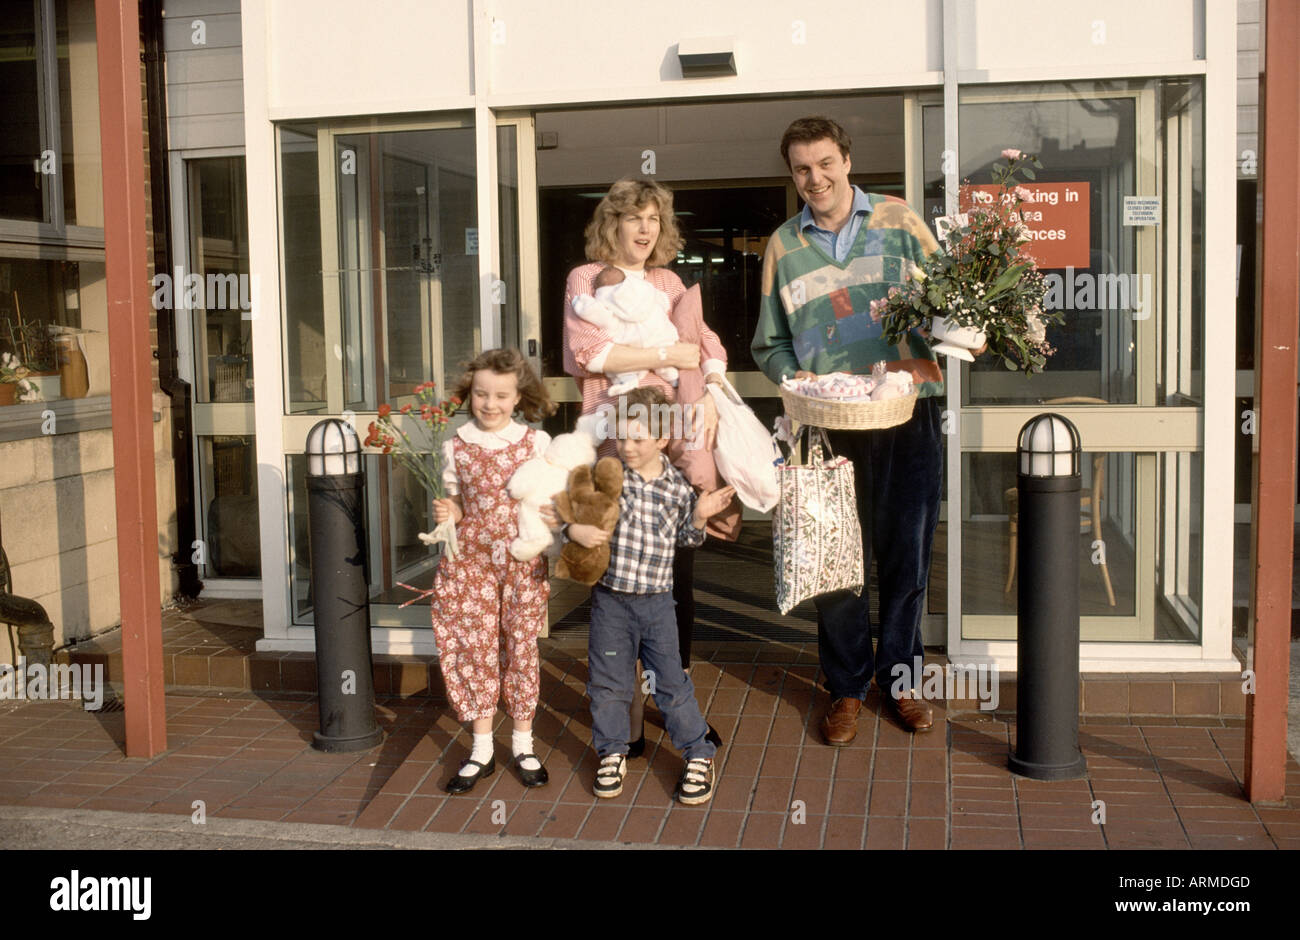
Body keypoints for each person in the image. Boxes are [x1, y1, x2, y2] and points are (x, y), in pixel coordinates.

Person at [751, 116, 946, 744]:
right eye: (802, 168)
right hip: (828, 427)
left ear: (847, 161)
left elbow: (952, 304)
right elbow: (770, 343)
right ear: (793, 174)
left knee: (905, 556)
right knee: (836, 563)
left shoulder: (900, 220)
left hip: (908, 416)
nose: (816, 178)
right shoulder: (782, 245)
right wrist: (796, 380)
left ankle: (903, 682)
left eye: (825, 163)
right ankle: (845, 688)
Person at [562, 177, 730, 756]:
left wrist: (707, 386)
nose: (644, 228)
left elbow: (706, 342)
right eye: (634, 217)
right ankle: (626, 714)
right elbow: (592, 356)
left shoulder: (667, 282)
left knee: (672, 584)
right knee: (614, 582)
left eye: (654, 219)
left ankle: (670, 696)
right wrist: (667, 355)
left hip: (671, 447)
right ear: (612, 222)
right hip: (614, 448)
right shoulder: (585, 280)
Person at [564, 386, 735, 804]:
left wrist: (697, 516)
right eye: (622, 437)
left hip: (658, 604)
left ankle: (698, 752)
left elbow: (686, 541)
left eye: (637, 439)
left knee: (670, 685)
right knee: (608, 684)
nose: (627, 446)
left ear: (661, 440)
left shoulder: (677, 487)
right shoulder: (606, 477)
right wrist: (574, 530)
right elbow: (568, 515)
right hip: (610, 601)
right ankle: (612, 751)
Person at [430, 348, 558, 793]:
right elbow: (462, 509)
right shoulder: (455, 445)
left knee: (520, 646)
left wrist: (555, 517)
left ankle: (523, 742)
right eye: (482, 394)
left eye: (501, 395)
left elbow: (548, 499)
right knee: (475, 647)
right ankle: (482, 747)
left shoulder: (535, 443)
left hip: (520, 563)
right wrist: (451, 510)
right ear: (470, 393)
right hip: (471, 565)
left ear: (518, 395)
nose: (490, 404)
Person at [571, 265, 681, 394]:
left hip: (630, 341)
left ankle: (627, 382)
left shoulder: (605, 296)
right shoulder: (643, 288)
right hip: (659, 336)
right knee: (666, 365)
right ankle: (673, 377)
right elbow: (662, 300)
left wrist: (580, 302)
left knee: (622, 368)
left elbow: (595, 312)